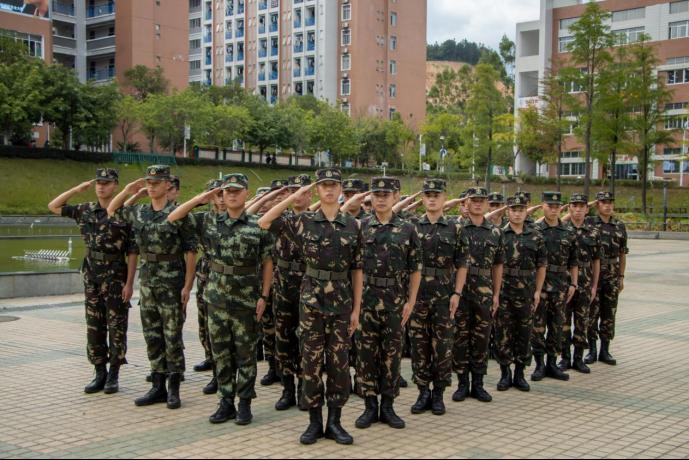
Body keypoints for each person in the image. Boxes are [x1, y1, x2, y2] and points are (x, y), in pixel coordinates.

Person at [258, 168, 363, 446]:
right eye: (323, 185)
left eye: (333, 185)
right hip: (311, 301)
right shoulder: (303, 221)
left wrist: (356, 310)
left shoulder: (353, 225)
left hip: (341, 302)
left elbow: (357, 270)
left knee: (339, 365)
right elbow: (265, 221)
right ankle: (314, 422)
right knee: (311, 363)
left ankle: (335, 422)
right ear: (317, 190)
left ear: (341, 190)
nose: (329, 190)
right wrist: (295, 194)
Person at [168, 173, 274, 426]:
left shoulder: (257, 225)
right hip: (216, 298)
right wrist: (203, 198)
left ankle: (245, 403)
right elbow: (173, 217)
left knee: (246, 353)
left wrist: (264, 296)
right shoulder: (209, 222)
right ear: (221, 195)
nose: (232, 194)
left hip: (246, 299)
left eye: (237, 190)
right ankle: (226, 401)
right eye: (227, 191)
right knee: (221, 353)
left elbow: (268, 262)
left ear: (246, 193)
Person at [107, 165, 197, 410]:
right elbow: (112, 209)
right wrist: (128, 190)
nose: (151, 187)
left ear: (168, 185)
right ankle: (157, 385)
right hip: (148, 282)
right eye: (148, 182)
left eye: (156, 183)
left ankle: (174, 388)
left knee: (172, 336)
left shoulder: (179, 214)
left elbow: (190, 251)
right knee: (152, 335)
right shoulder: (140, 213)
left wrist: (188, 286)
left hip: (172, 280)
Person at [48, 168, 138, 395]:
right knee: (94, 325)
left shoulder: (124, 213)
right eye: (99, 182)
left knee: (116, 324)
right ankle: (99, 371)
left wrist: (129, 283)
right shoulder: (85, 209)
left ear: (115, 185)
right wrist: (77, 189)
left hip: (116, 274)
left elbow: (132, 252)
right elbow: (54, 206)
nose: (101, 186)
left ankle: (114, 373)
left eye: (106, 183)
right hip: (92, 274)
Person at [354, 177, 422, 430]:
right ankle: (369, 406)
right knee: (365, 354)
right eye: (377, 194)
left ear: (396, 196)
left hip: (395, 299)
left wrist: (411, 301)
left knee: (392, 354)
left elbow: (415, 268)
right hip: (366, 299)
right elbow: (353, 268)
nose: (381, 198)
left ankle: (388, 406)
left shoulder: (408, 228)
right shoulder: (360, 226)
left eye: (386, 194)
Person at [409, 179, 468, 416]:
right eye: (428, 195)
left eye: (437, 195)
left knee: (443, 346)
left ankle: (439, 394)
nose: (432, 199)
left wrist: (457, 293)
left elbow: (462, 264)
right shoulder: (412, 226)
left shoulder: (455, 228)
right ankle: (422, 391)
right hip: (418, 294)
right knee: (419, 344)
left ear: (445, 199)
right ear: (422, 199)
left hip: (444, 296)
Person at [452, 187, 504, 404]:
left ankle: (479, 384)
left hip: (484, 290)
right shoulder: (457, 229)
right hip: (461, 292)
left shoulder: (495, 232)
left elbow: (498, 265)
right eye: (473, 200)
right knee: (461, 337)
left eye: (482, 200)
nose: (478, 204)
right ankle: (462, 383)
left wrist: (496, 293)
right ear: (466, 203)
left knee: (482, 337)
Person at [494, 195, 547, 392]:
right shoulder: (499, 234)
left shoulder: (536, 236)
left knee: (524, 333)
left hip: (526, 292)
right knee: (503, 333)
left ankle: (520, 373)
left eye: (520, 210)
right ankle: (505, 373)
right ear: (507, 212)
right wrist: (495, 293)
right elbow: (494, 265)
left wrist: (538, 291)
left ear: (527, 212)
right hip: (505, 291)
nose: (517, 213)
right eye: (513, 210)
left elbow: (541, 265)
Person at [531, 192, 578, 382]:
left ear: (561, 208)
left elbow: (574, 261)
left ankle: (552, 363)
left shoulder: (568, 232)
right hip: (540, 287)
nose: (553, 209)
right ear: (543, 206)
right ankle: (539, 365)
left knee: (557, 327)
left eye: (556, 206)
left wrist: (574, 283)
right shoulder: (534, 230)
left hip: (560, 286)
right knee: (538, 328)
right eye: (549, 205)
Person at [192, 179, 227, 396]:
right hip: (206, 275)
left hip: (228, 280)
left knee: (225, 332)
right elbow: (177, 215)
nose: (221, 199)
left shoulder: (238, 218)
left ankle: (223, 373)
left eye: (224, 193)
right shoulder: (204, 219)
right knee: (206, 324)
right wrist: (199, 201)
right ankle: (213, 366)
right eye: (217, 194)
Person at [585, 191, 628, 366]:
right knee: (591, 312)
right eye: (603, 202)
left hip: (612, 273)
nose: (608, 205)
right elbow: (571, 215)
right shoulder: (589, 223)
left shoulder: (619, 225)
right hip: (593, 274)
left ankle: (605, 350)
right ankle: (592, 350)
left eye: (610, 202)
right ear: (597, 205)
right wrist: (588, 204)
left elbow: (622, 254)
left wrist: (621, 276)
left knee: (609, 313)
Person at [560, 193, 601, 374]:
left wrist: (594, 285)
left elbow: (596, 261)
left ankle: (578, 357)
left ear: (587, 209)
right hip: (564, 281)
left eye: (581, 206)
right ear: (569, 208)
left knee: (582, 320)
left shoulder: (593, 232)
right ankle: (564, 358)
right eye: (574, 206)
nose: (577, 210)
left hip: (585, 281)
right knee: (564, 321)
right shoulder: (562, 229)